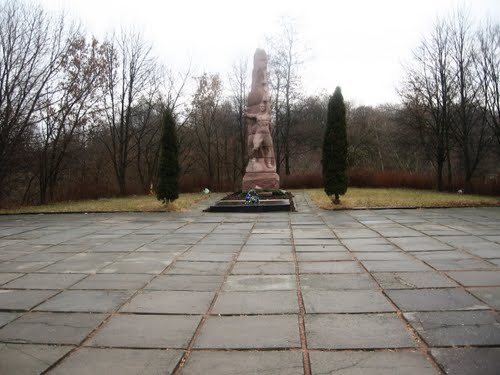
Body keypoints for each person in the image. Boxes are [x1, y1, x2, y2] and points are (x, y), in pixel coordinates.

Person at [244, 102, 275, 170]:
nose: (262, 108)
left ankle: (268, 163)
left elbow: (270, 126)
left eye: (263, 107)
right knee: (255, 146)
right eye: (260, 106)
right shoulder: (257, 115)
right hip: (259, 133)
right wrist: (246, 114)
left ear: (265, 107)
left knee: (268, 148)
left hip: (267, 134)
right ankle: (254, 159)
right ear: (259, 107)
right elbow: (251, 116)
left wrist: (270, 134)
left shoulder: (268, 116)